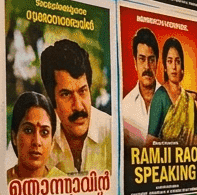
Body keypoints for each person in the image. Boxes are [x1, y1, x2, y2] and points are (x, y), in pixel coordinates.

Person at [41, 39, 112, 175]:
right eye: (66, 94)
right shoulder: (37, 137)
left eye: (82, 91)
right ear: (52, 100)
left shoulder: (113, 133)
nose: (78, 106)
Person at [146, 37, 197, 147]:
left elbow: (196, 142)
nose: (174, 67)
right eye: (170, 61)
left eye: (177, 61)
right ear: (165, 67)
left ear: (182, 67)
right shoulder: (160, 97)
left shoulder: (190, 101)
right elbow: (149, 142)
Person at [7, 91, 64, 181]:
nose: (37, 142)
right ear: (14, 137)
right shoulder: (4, 183)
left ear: (52, 142)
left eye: (44, 132)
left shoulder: (63, 184)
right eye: (28, 130)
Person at [121, 28, 160, 146]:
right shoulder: (125, 107)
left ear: (157, 62)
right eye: (142, 59)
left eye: (151, 59)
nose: (147, 66)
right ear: (135, 62)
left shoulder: (171, 101)